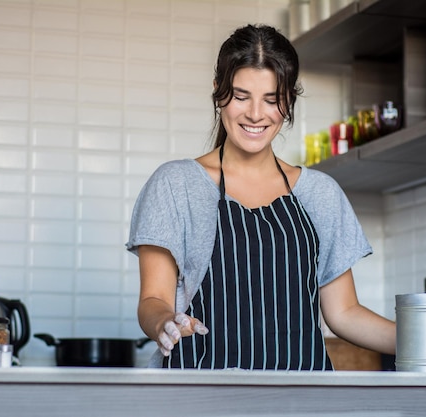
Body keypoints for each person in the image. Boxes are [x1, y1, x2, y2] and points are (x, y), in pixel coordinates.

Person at [126, 24, 395, 370]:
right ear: (217, 92)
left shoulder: (318, 193)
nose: (255, 114)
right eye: (240, 96)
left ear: (289, 101)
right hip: (199, 398)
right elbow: (153, 299)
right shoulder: (177, 185)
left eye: (272, 99)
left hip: (304, 401)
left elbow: (344, 313)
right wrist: (165, 322)